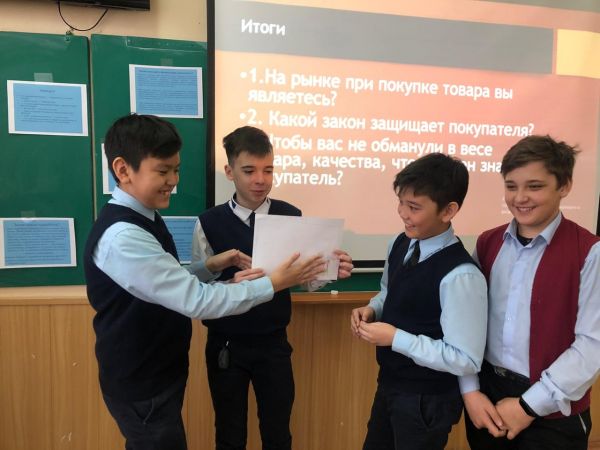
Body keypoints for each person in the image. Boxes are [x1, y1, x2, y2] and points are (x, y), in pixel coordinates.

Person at [83, 114, 326, 450]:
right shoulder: (124, 236)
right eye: (163, 171)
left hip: (165, 372)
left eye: (176, 170)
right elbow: (195, 300)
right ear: (123, 170)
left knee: (277, 430)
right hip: (145, 379)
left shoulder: (145, 218)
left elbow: (168, 282)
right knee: (225, 432)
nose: (173, 181)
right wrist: (272, 283)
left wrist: (211, 266)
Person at [192, 125, 353, 450]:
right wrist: (228, 281)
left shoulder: (291, 216)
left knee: (278, 432)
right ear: (229, 171)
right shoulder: (208, 221)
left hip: (273, 344)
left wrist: (330, 270)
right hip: (226, 345)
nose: (260, 179)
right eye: (249, 170)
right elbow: (197, 283)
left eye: (268, 170)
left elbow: (305, 280)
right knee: (229, 433)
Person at [461, 135, 600, 450]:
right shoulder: (487, 243)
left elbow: (592, 345)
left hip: (552, 408)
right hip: (487, 399)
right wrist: (470, 389)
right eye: (511, 186)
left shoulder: (590, 252)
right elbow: (467, 324)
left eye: (534, 186)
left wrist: (527, 406)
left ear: (564, 186)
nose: (520, 197)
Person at [350, 153, 488, 450]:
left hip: (428, 400)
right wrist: (373, 308)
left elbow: (465, 359)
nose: (403, 213)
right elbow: (388, 291)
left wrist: (396, 338)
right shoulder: (400, 243)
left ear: (448, 210)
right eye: (401, 202)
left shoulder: (461, 275)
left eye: (414, 207)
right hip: (391, 384)